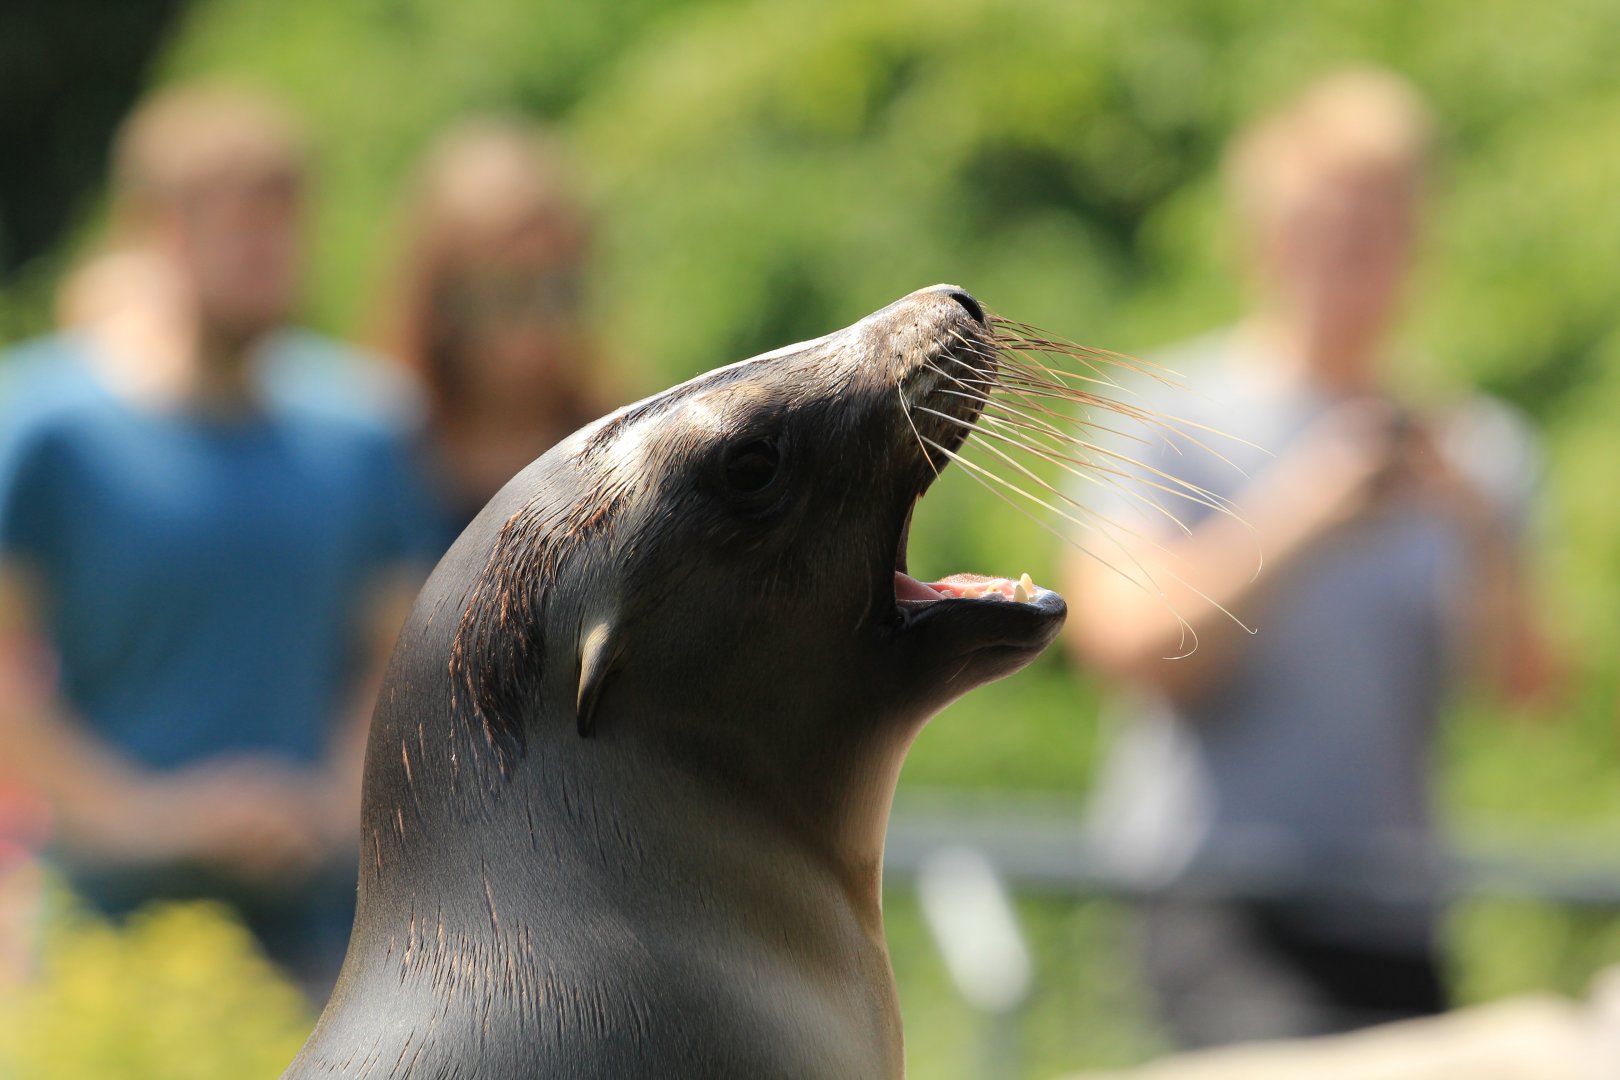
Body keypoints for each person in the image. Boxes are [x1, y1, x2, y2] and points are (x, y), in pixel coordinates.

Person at [1065, 69, 1560, 1048]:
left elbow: (1528, 691)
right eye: (1328, 229)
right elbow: (1126, 646)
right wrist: (1304, 513)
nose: (1354, 259)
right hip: (1215, 902)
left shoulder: (1476, 449)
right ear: (1265, 237)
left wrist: (1473, 528)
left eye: (1381, 230)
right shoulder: (1164, 414)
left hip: (1396, 905)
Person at [0, 84, 435, 995]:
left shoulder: (365, 431)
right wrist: (147, 818)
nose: (265, 254)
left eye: (282, 226)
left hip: (325, 934)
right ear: (160, 231)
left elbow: (394, 656)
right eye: (239, 227)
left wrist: (326, 802)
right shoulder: (47, 428)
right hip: (107, 935)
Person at [374, 117, 617, 544]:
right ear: (444, 304)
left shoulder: (615, 447)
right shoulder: (382, 455)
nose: (539, 326)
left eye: (561, 291)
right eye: (509, 296)